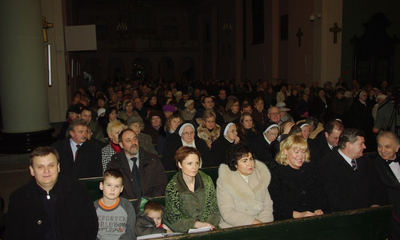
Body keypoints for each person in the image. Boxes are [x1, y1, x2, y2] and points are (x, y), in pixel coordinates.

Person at [4, 146, 98, 240]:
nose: (46, 171)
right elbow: (13, 234)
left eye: (51, 165)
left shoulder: (78, 190)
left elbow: (89, 227)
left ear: (58, 167)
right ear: (32, 171)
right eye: (40, 167)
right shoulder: (18, 198)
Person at [319, 128, 388, 211]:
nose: (365, 147)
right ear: (349, 145)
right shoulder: (327, 164)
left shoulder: (365, 161)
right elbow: (334, 197)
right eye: (361, 144)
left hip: (371, 212)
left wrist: (376, 204)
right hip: (346, 216)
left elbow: (378, 186)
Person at [269, 135, 328, 220]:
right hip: (288, 221)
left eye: (303, 152)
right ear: (285, 151)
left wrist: (318, 209)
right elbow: (276, 206)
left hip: (312, 217)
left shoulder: (311, 170)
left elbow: (320, 195)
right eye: (296, 152)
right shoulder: (276, 174)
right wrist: (299, 215)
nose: (300, 156)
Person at [217, 142, 273, 228]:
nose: (250, 164)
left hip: (261, 223)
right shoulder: (225, 180)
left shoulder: (260, 175)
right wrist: (254, 222)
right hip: (234, 227)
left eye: (251, 159)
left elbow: (267, 205)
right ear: (235, 164)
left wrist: (263, 224)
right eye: (244, 161)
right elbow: (227, 213)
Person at [165, 146, 220, 232]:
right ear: (180, 164)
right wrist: (196, 224)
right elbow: (174, 220)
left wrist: (207, 226)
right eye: (189, 163)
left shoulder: (206, 180)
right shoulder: (172, 188)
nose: (194, 167)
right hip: (186, 233)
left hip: (210, 229)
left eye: (197, 163)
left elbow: (215, 210)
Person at [107, 129, 167, 199]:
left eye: (135, 139)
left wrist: (149, 202)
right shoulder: (114, 165)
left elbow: (161, 184)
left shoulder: (152, 160)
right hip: (126, 205)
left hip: (151, 204)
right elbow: (113, 189)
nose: (133, 143)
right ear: (121, 145)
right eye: (128, 140)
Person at [94, 168, 136, 240]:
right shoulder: (93, 207)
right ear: (101, 186)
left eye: (116, 186)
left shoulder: (127, 206)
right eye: (109, 185)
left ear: (121, 189)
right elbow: (89, 232)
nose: (112, 189)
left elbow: (130, 233)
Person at [374, 131, 400, 204]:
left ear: (397, 148)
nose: (382, 150)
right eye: (379, 146)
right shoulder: (374, 166)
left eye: (387, 147)